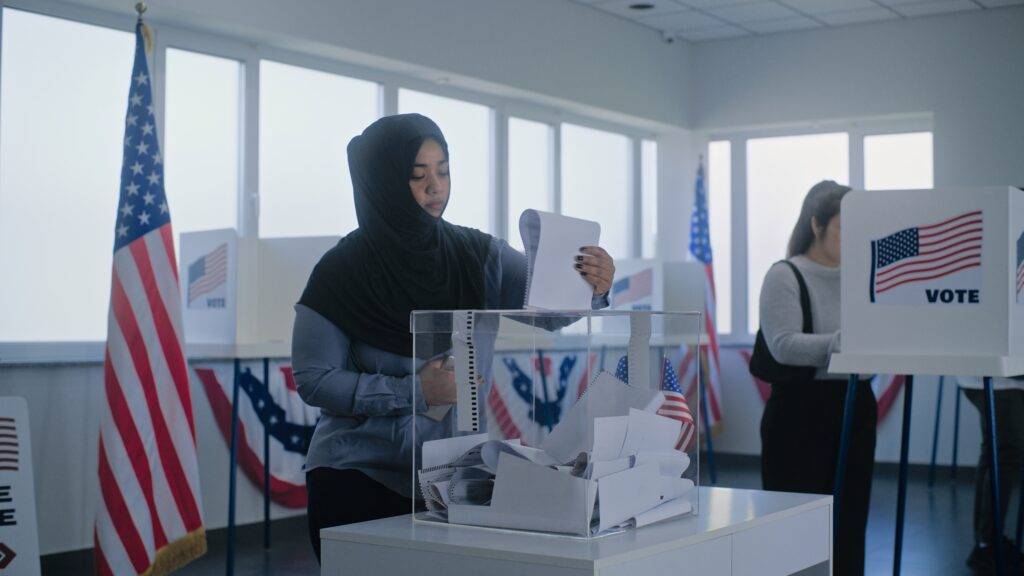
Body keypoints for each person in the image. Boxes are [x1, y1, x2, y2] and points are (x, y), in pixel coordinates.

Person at [291, 113, 616, 562]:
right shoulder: (340, 270)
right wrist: (415, 391)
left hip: (451, 477)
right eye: (417, 175)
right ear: (383, 181)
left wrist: (593, 285)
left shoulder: (476, 254)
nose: (435, 187)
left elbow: (551, 311)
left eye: (443, 171)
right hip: (357, 476)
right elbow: (313, 378)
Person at [756, 180, 876, 576]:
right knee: (796, 524)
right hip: (800, 414)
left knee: (849, 520)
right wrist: (844, 343)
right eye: (843, 227)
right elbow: (783, 345)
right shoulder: (785, 274)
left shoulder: (862, 277)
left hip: (855, 406)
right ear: (816, 225)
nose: (851, 239)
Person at [957, 376, 1024, 573]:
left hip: (1005, 378)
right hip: (998, 378)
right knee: (1005, 451)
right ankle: (987, 544)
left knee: (995, 453)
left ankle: (987, 542)